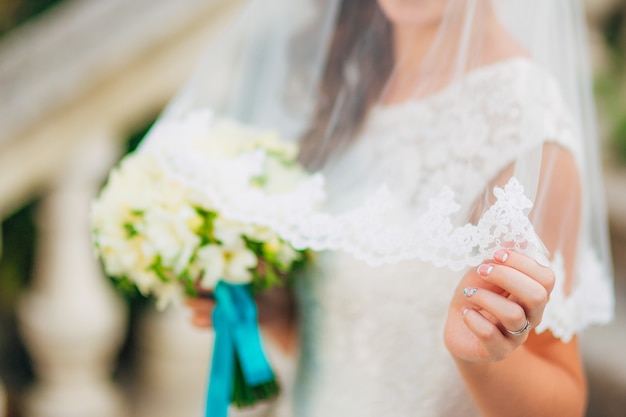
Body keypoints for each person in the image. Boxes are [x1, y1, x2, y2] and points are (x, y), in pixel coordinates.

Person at [176, 0, 615, 415]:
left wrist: (484, 359)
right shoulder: (349, 75)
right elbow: (362, 343)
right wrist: (279, 314)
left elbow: (564, 401)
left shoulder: (527, 131)